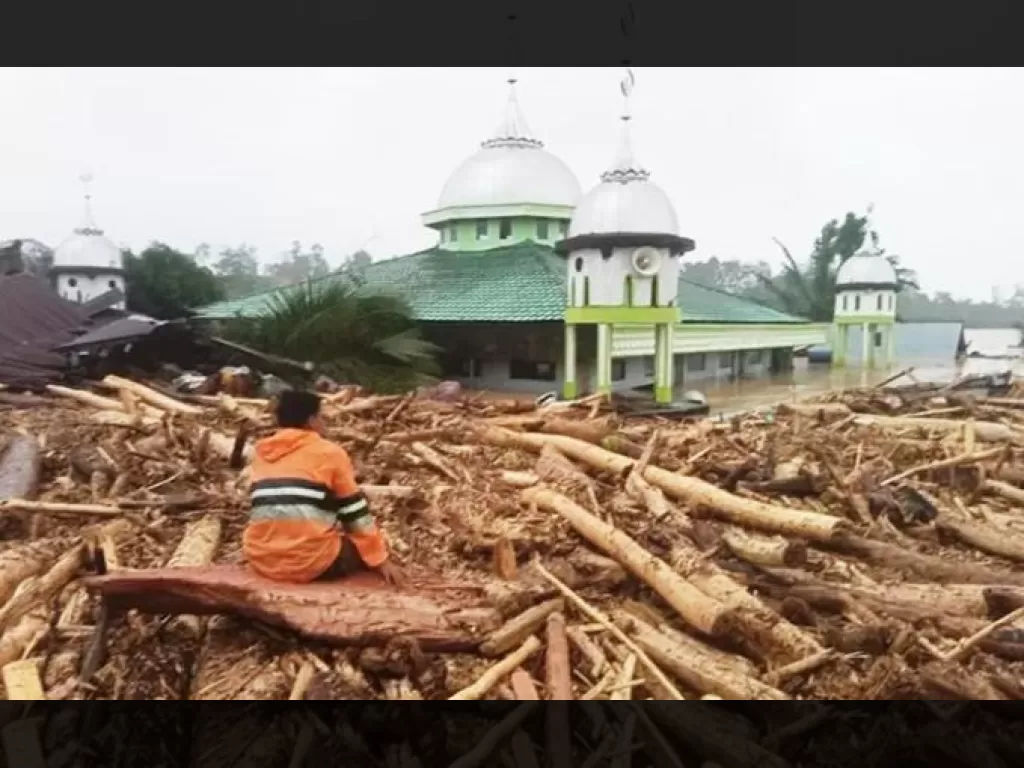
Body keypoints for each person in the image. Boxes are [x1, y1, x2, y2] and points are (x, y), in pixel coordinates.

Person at [242, 389, 404, 586]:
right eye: (322, 417)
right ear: (311, 420)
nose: (324, 424)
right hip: (311, 564)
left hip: (261, 560)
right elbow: (354, 513)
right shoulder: (330, 453)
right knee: (362, 545)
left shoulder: (260, 454)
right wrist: (380, 559)